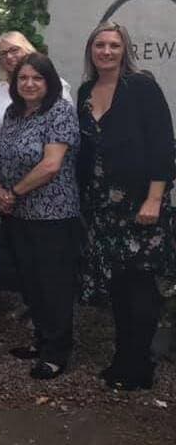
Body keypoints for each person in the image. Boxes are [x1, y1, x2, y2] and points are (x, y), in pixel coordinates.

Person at [77, 21, 176, 391]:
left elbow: (164, 146)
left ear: (124, 50)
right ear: (91, 50)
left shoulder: (142, 87)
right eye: (99, 45)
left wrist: (154, 199)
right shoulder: (87, 91)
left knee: (141, 288)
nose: (106, 51)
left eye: (113, 45)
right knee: (117, 286)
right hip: (102, 207)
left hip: (140, 204)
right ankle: (123, 356)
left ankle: (140, 365)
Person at [0, 53, 81, 380]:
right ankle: (41, 340)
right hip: (16, 214)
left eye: (36, 78)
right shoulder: (14, 113)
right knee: (30, 282)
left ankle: (57, 352)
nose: (29, 84)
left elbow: (50, 164)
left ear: (49, 82)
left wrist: (13, 192)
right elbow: (0, 154)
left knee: (53, 284)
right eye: (23, 79)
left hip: (52, 214)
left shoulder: (59, 111)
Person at [0, 31, 73, 130]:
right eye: (3, 53)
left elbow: (68, 123)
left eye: (14, 50)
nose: (9, 56)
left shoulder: (55, 84)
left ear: (27, 50)